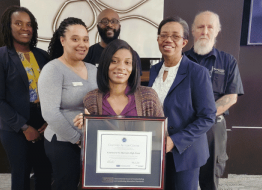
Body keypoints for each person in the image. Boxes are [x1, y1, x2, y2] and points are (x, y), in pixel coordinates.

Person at [0, 6, 51, 190]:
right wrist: (24, 127)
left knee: (44, 172)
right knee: (21, 176)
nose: (25, 28)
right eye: (19, 23)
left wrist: (49, 121)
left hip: (43, 122)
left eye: (29, 24)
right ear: (9, 26)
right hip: (14, 125)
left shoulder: (42, 55)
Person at [148, 16, 217, 190]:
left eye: (175, 36)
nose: (168, 40)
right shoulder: (154, 70)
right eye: (163, 35)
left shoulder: (197, 73)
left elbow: (208, 117)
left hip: (186, 152)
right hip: (156, 150)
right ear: (157, 39)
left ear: (184, 42)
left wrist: (175, 140)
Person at [185, 11, 244, 190]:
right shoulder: (181, 59)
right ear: (193, 31)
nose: (205, 31)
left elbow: (231, 96)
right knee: (181, 175)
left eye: (210, 27)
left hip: (213, 127)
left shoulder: (228, 61)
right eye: (200, 27)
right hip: (184, 125)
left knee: (210, 177)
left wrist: (203, 116)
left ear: (217, 31)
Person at [37, 17, 97, 190]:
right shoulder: (53, 70)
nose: (82, 44)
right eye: (75, 39)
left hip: (90, 140)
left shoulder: (93, 70)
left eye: (85, 39)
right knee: (66, 185)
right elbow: (50, 113)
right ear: (62, 40)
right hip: (63, 142)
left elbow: (100, 102)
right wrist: (78, 139)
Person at [74, 39, 163, 128]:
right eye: (114, 61)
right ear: (105, 64)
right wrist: (84, 126)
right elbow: (90, 138)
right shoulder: (91, 98)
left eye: (127, 62)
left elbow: (160, 135)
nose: (121, 67)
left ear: (133, 67)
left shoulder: (149, 96)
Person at [83, 8, 142, 75]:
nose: (109, 25)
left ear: (119, 27)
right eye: (105, 21)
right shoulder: (88, 54)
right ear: (97, 26)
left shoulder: (131, 54)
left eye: (113, 21)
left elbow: (135, 83)